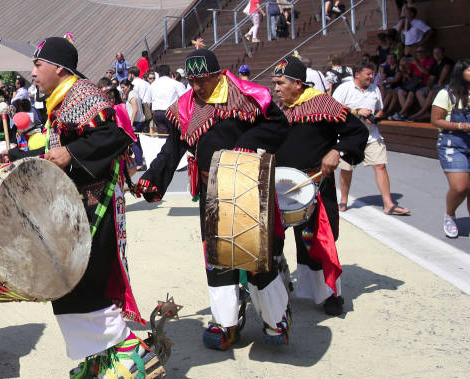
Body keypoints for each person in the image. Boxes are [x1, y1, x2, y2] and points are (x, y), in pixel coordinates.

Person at [18, 36, 156, 379]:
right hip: (78, 208)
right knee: (72, 284)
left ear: (59, 68)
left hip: (95, 207)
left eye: (38, 65)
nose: (33, 73)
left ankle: (131, 351)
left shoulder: (81, 93)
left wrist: (70, 153)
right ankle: (100, 363)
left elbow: (115, 134)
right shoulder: (62, 98)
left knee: (81, 284)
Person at [136, 48, 291, 350]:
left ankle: (276, 322)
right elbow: (173, 149)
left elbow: (278, 126)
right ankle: (226, 324)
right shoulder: (185, 107)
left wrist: (246, 146)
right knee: (217, 260)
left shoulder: (247, 96)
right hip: (211, 191)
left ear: (217, 75)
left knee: (257, 257)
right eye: (192, 81)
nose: (196, 88)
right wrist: (152, 178)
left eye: (202, 81)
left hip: (247, 187)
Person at [271, 57, 368, 316]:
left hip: (315, 185)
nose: (276, 88)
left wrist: (337, 150)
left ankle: (330, 294)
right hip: (281, 187)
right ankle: (278, 288)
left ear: (298, 84)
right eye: (274, 83)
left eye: (281, 83)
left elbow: (357, 132)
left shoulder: (324, 104)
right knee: (273, 241)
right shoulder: (278, 110)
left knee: (317, 240)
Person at [333, 63, 411, 215]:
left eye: (372, 74)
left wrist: (375, 118)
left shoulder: (374, 88)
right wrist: (357, 111)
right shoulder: (344, 88)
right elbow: (334, 108)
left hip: (371, 135)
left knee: (380, 166)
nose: (371, 77)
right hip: (348, 136)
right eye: (368, 74)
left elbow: (380, 109)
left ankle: (388, 204)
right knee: (346, 169)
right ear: (357, 74)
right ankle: (343, 200)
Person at [431, 58, 470, 238]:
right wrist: (461, 126)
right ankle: (450, 214)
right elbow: (436, 120)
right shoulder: (447, 94)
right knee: (460, 187)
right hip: (453, 144)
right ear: (461, 72)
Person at [148, 65, 182, 136]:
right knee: (173, 136)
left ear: (159, 74)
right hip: (171, 112)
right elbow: (184, 97)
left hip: (157, 113)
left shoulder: (152, 85)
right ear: (169, 73)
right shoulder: (176, 84)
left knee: (163, 137)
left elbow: (148, 101)